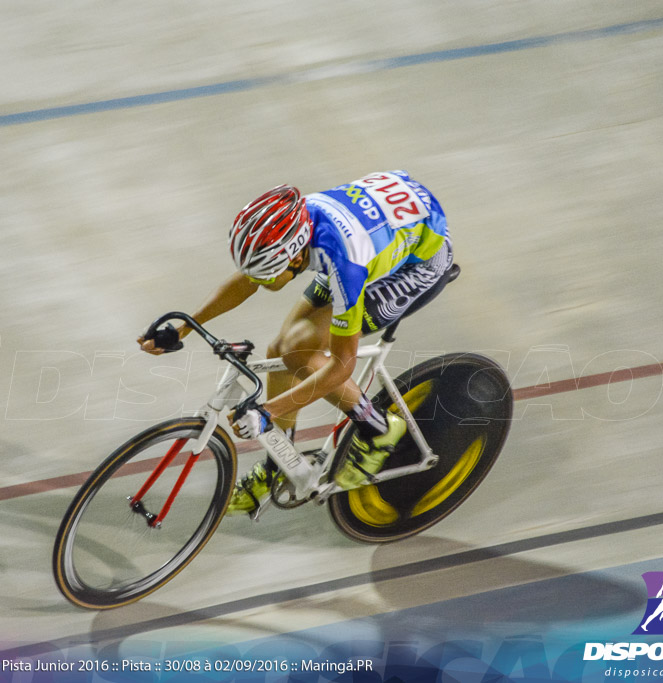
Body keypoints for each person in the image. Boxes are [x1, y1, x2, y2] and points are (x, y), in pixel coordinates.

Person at [138, 170, 453, 514]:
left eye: (268, 274)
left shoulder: (343, 262)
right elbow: (246, 281)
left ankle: (379, 428)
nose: (260, 281)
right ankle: (280, 461)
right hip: (379, 233)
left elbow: (341, 364)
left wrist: (268, 411)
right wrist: (186, 326)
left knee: (299, 350)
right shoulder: (295, 228)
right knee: (280, 350)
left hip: (413, 265)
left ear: (295, 257)